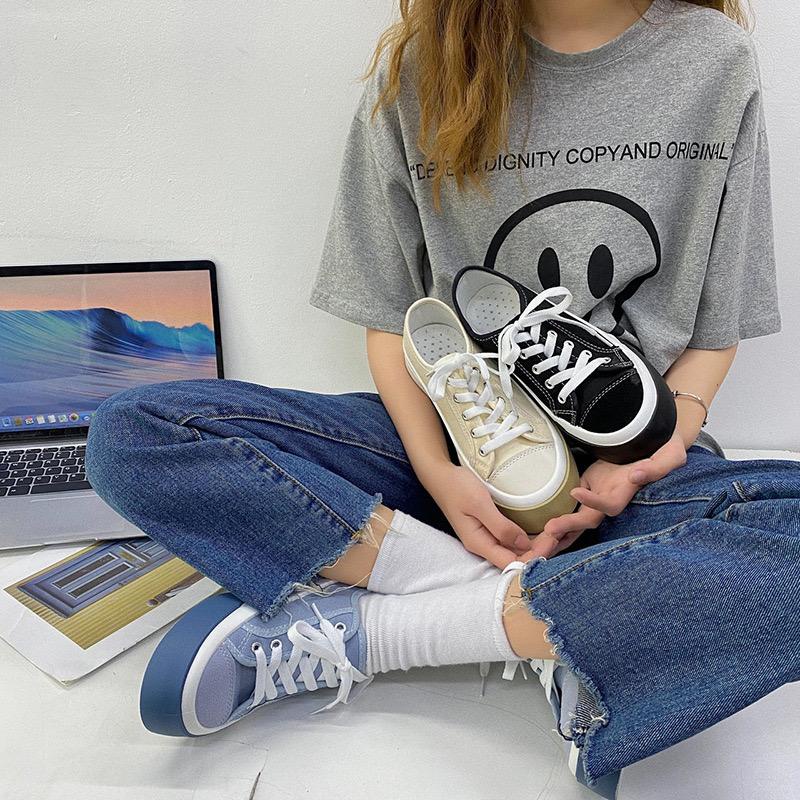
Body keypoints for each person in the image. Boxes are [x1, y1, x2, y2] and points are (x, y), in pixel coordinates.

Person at [85, 1, 799, 796]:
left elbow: (717, 328)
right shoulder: (422, 69)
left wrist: (650, 457)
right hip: (459, 445)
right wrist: (437, 472)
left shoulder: (714, 60)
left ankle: (383, 630)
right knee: (135, 434)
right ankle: (562, 621)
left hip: (631, 469)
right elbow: (393, 320)